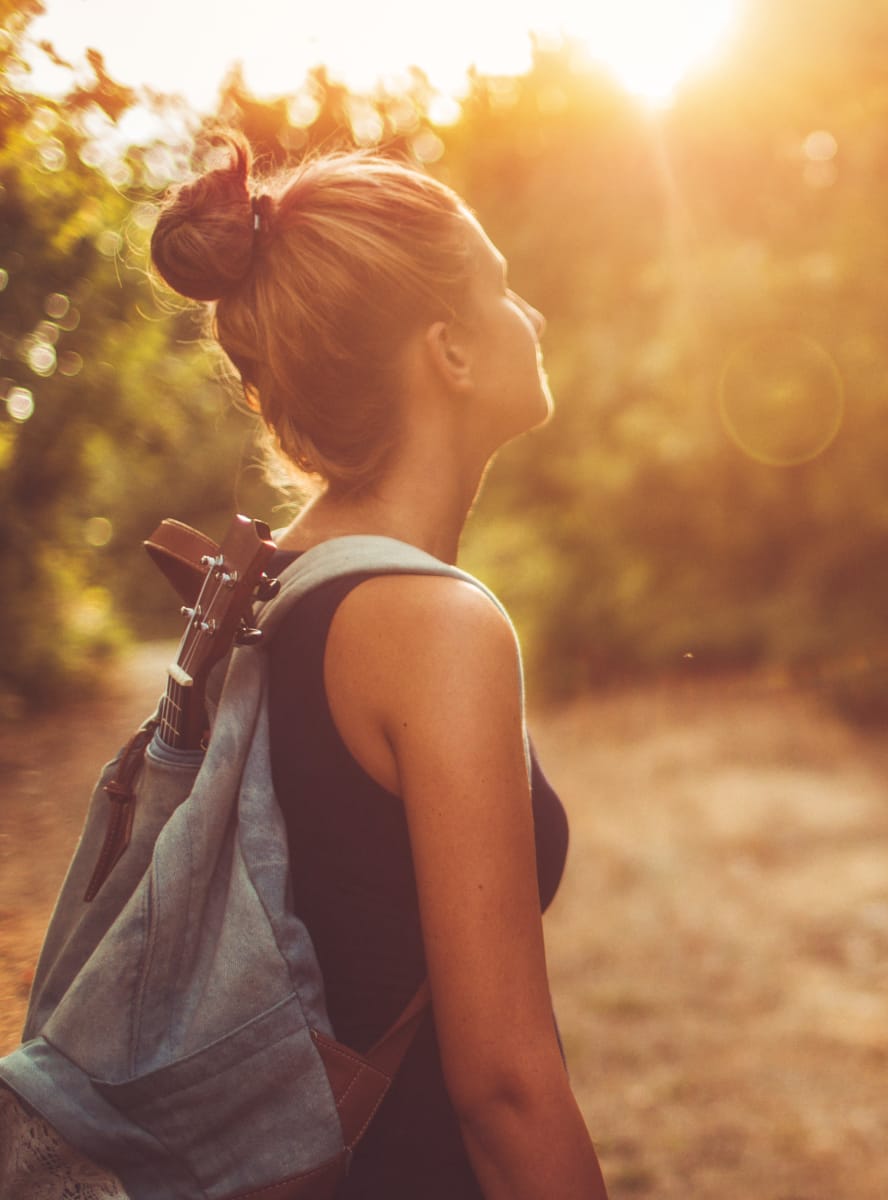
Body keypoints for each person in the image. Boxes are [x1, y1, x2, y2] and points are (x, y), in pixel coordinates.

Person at [147, 131, 608, 1199]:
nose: (529, 315)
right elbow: (505, 1091)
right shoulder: (434, 627)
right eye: (501, 288)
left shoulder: (261, 586)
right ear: (448, 350)